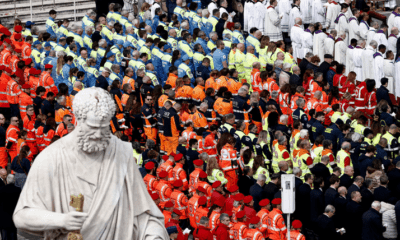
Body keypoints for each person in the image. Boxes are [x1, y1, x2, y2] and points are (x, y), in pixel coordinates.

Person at [13, 88, 168, 239]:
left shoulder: (121, 153)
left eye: (104, 128)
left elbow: (143, 215)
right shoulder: (51, 158)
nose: (99, 135)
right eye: (93, 128)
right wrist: (61, 220)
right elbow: (22, 216)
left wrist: (154, 236)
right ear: (78, 120)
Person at [0, 175, 21, 240]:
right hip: (14, 217)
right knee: (13, 235)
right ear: (14, 181)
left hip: (3, 217)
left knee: (5, 236)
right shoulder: (18, 190)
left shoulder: (1, 190)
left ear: (6, 181)